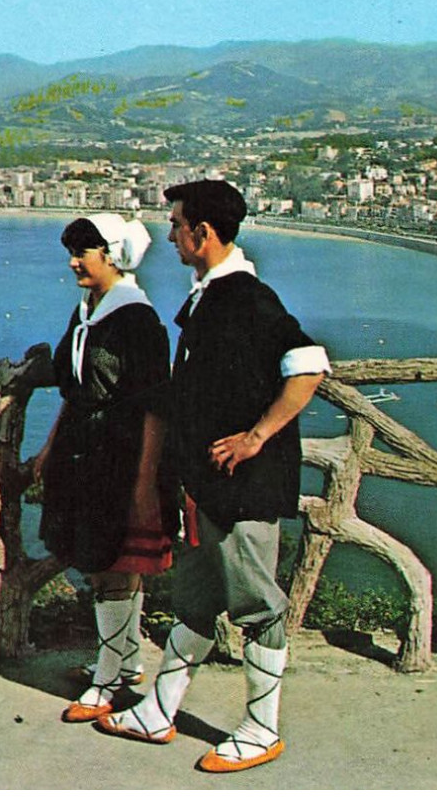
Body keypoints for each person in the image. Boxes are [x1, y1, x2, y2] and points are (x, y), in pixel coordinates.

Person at [96, 180, 329, 774]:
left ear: (202, 232)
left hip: (244, 488)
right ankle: (160, 710)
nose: (169, 235)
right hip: (208, 484)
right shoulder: (211, 296)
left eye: (175, 224)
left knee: (258, 606)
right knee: (196, 602)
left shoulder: (248, 298)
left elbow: (308, 365)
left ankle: (261, 728)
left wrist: (257, 436)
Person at [32, 214, 175, 724]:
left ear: (112, 255)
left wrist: (144, 482)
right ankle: (125, 659)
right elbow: (74, 390)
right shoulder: (87, 311)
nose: (73, 261)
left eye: (83, 252)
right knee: (98, 562)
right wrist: (50, 448)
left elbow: (157, 406)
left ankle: (109, 679)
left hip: (120, 452)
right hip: (82, 449)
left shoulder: (138, 320)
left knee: (114, 566)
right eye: (72, 251)